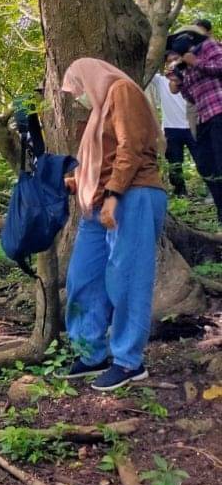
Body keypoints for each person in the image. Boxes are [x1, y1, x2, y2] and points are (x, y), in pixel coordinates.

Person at [60, 58, 167, 390]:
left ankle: (128, 361)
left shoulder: (122, 91)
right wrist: (77, 182)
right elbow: (101, 159)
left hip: (131, 195)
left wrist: (113, 194)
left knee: (128, 278)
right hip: (97, 203)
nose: (78, 96)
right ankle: (93, 353)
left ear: (90, 77)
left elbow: (131, 147)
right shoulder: (98, 110)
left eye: (77, 88)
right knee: (83, 277)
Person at [166, 23, 222, 222]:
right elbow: (191, 97)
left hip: (219, 112)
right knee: (207, 167)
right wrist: (179, 83)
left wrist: (196, 62)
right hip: (203, 118)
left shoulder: (209, 47)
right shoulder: (184, 64)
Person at [147, 69, 199, 197]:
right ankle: (180, 190)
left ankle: (211, 185)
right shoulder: (160, 80)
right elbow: (148, 67)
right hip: (172, 128)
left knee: (202, 158)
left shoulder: (190, 76)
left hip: (192, 125)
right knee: (174, 162)